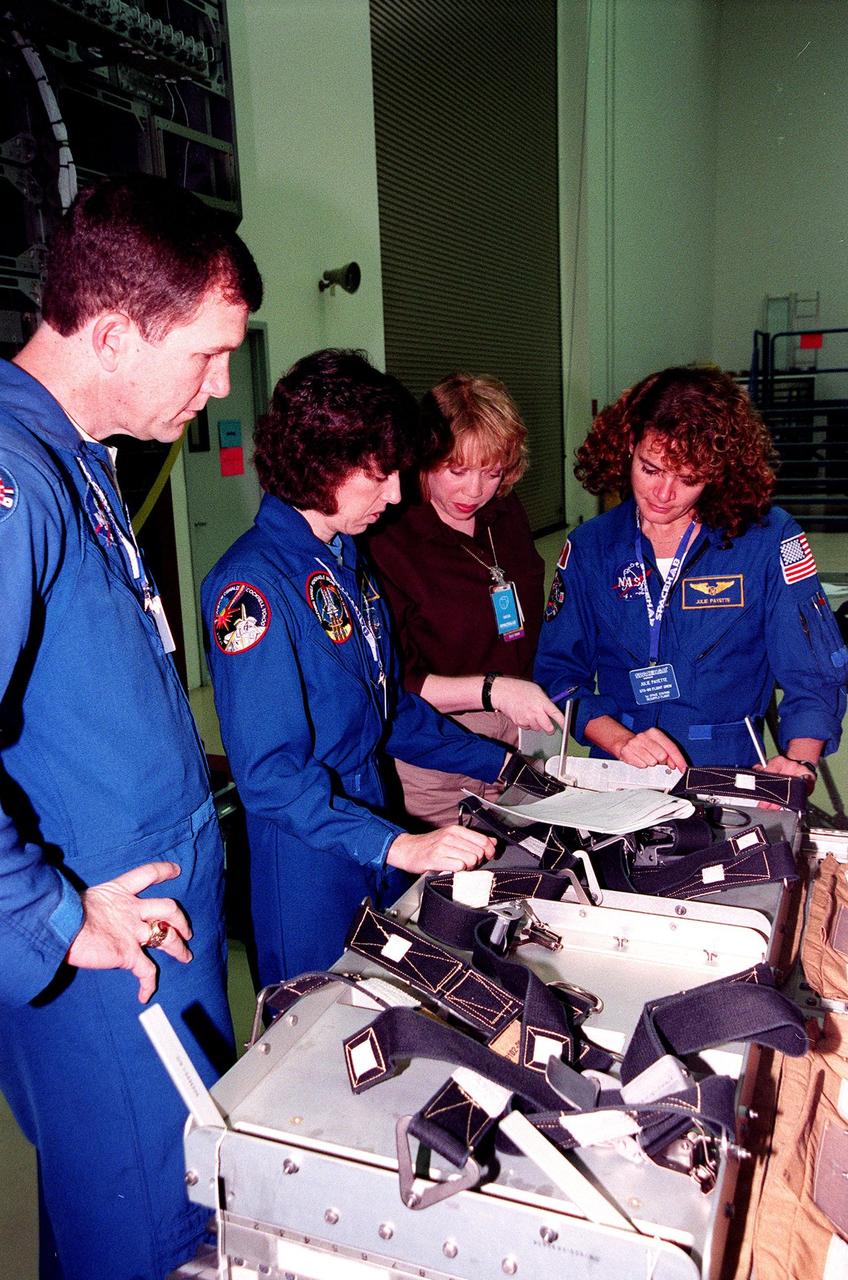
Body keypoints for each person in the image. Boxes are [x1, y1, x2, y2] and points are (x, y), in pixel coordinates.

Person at [0, 174, 263, 1280]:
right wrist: (51, 912)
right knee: (152, 1233)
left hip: (151, 922)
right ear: (110, 333)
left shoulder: (77, 452)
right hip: (108, 954)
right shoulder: (16, 474)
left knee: (126, 1213)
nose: (217, 387)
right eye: (203, 355)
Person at [201, 351, 514, 989]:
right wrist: (402, 845)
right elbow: (270, 779)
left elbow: (387, 713)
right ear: (323, 466)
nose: (396, 494)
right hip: (310, 856)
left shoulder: (344, 561)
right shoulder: (252, 588)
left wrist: (509, 768)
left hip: (375, 820)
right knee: (314, 1032)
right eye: (379, 477)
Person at [534, 365, 848, 785]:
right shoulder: (592, 547)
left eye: (688, 479)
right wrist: (621, 740)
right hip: (617, 768)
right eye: (650, 469)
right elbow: (557, 674)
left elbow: (812, 675)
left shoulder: (767, 541)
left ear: (718, 470)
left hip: (730, 769)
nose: (663, 495)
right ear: (630, 444)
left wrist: (800, 763)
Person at [368, 372, 563, 826]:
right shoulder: (386, 538)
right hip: (439, 748)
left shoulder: (505, 513)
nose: (474, 491)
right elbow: (393, 685)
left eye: (491, 472)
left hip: (524, 734)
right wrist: (494, 689)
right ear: (422, 460)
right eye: (456, 470)